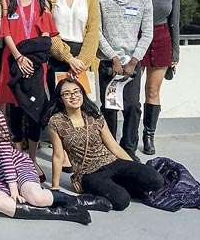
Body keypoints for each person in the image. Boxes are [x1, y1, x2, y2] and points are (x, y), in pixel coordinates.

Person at [0, 79, 110, 224]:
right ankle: (63, 214)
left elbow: (6, 155)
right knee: (0, 204)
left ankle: (82, 201)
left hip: (14, 165)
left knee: (36, 197)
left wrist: (14, 189)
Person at [46, 78, 163, 210]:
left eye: (76, 91)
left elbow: (113, 146)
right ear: (61, 99)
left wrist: (133, 167)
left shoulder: (94, 116)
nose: (73, 96)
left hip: (111, 161)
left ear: (82, 93)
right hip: (89, 173)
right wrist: (55, 186)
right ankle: (109, 187)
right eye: (67, 94)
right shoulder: (56, 122)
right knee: (121, 201)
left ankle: (116, 183)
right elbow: (58, 155)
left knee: (156, 180)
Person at [0, 0, 58, 181]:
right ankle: (17, 159)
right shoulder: (6, 2)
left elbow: (46, 34)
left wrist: (32, 58)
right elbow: (6, 34)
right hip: (13, 61)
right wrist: (19, 57)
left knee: (34, 111)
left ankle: (31, 161)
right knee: (15, 110)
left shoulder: (42, 3)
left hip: (35, 63)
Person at [47, 0, 101, 173]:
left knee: (82, 106)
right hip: (59, 58)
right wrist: (68, 58)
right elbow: (50, 33)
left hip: (83, 59)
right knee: (61, 107)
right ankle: (64, 153)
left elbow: (92, 32)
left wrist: (82, 62)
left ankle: (86, 151)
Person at [97, 0, 153, 162]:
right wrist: (113, 57)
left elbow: (147, 33)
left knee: (132, 106)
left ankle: (128, 150)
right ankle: (110, 150)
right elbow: (97, 32)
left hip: (132, 64)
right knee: (110, 107)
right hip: (108, 64)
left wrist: (133, 61)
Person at [132, 0, 181, 155]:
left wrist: (175, 54)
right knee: (132, 93)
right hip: (137, 39)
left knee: (152, 91)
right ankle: (130, 134)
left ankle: (149, 135)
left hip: (162, 40)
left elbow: (174, 23)